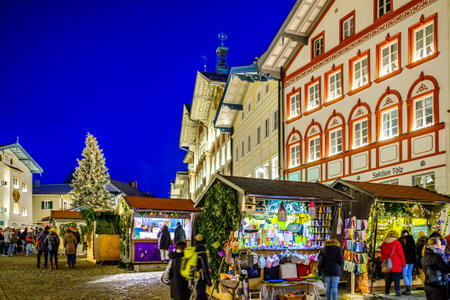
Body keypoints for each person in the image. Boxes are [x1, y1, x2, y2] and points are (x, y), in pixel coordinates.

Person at [381, 230, 406, 297]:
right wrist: (403, 263)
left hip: (387, 263)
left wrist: (384, 262)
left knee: (388, 278)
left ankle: (387, 291)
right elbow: (401, 254)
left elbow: (382, 255)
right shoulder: (397, 243)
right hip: (396, 263)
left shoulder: (383, 243)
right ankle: (397, 291)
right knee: (396, 278)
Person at [193, 234, 211, 300]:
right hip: (201, 277)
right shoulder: (202, 251)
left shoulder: (194, 250)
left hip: (195, 275)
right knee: (201, 294)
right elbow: (205, 266)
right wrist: (208, 280)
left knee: (200, 294)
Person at [398, 229, 416, 295]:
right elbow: (414, 249)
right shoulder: (411, 239)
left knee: (405, 274)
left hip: (404, 260)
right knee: (409, 273)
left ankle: (408, 288)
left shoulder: (400, 240)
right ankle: (409, 288)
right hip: (411, 259)